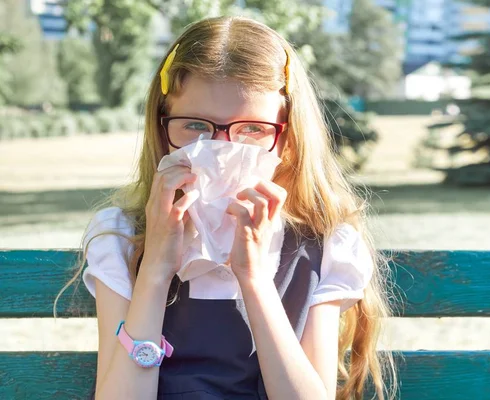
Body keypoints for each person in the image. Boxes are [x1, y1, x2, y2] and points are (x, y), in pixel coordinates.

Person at [57, 16, 395, 400]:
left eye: (251, 129)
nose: (220, 150)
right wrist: (155, 269)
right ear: (161, 126)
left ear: (287, 137)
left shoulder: (321, 244)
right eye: (196, 126)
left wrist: (252, 277)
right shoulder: (122, 236)